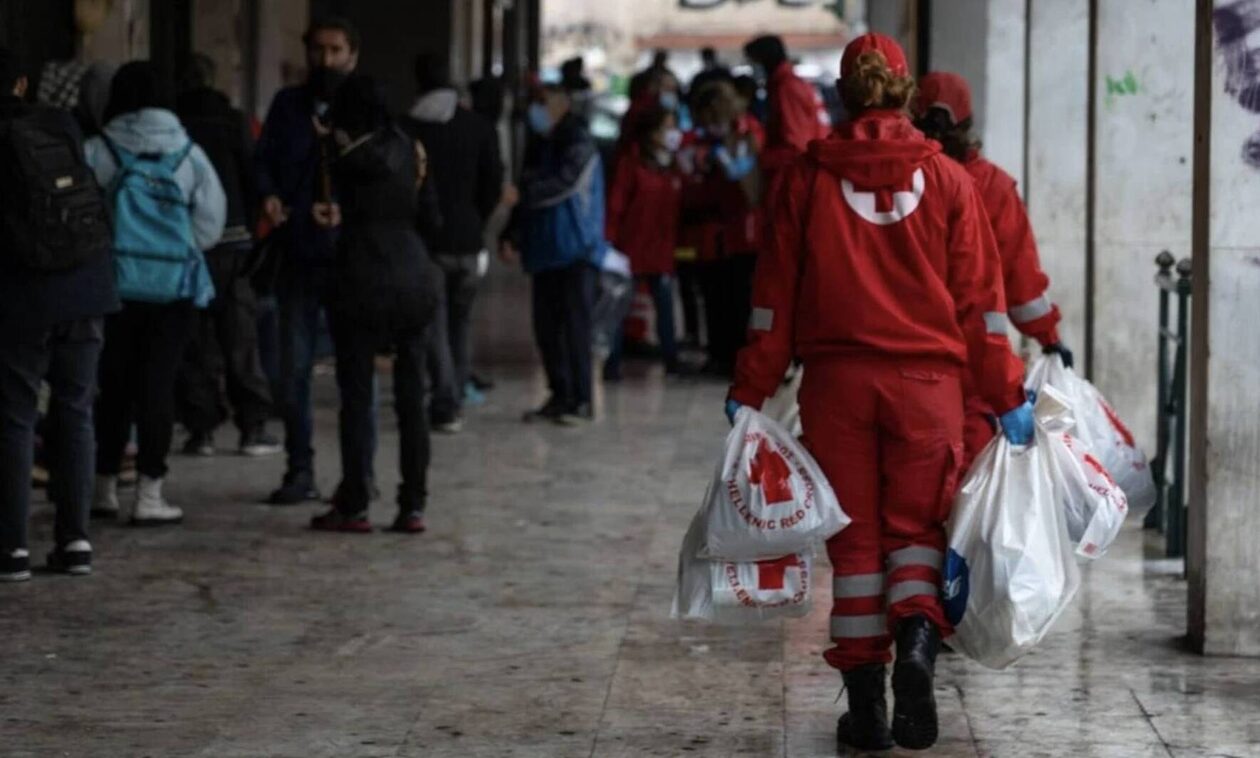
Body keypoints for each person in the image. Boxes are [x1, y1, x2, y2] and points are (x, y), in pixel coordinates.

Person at [726, 35, 1031, 752]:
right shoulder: (952, 182)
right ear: (902, 94)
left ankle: (865, 707)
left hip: (837, 387)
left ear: (841, 95)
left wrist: (753, 386)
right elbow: (981, 307)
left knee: (856, 546)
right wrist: (1007, 395)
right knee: (918, 534)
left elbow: (774, 300)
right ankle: (919, 649)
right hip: (929, 388)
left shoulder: (806, 180)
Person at [86, 61, 227, 527]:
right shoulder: (189, 154)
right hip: (173, 291)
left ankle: (103, 487)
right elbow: (208, 229)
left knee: (112, 386)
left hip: (112, 285)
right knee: (157, 386)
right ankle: (150, 494)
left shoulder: (98, 150)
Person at [912, 71, 1072, 469]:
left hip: (909, 359)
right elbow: (1022, 284)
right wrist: (1048, 336)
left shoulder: (902, 182)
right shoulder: (992, 187)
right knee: (969, 483)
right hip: (977, 363)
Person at [0, 48, 118, 580]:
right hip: (85, 283)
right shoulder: (61, 124)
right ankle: (75, 543)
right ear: (22, 83)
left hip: (20, 292)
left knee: (15, 416)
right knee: (75, 410)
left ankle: (11, 549)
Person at [309, 74, 441, 533]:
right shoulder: (413, 151)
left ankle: (356, 501)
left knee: (358, 396)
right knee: (412, 398)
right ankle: (413, 505)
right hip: (414, 276)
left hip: (360, 278)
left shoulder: (338, 157)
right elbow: (433, 220)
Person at [256, 16, 366, 504]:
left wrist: (350, 209)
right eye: (318, 50)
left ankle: (358, 476)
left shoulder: (366, 110)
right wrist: (272, 198)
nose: (326, 60)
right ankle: (299, 468)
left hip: (351, 260)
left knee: (354, 374)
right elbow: (264, 166)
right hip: (299, 255)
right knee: (292, 370)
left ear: (352, 56)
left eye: (336, 50)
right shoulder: (287, 107)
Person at [175, 54, 279, 458]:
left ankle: (201, 430)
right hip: (233, 243)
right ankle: (252, 428)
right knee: (240, 340)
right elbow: (255, 178)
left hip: (187, 247)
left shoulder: (174, 126)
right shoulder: (234, 121)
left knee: (196, 342)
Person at [402, 53, 504, 433]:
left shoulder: (408, 128)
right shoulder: (478, 127)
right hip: (469, 240)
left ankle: (444, 402)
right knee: (460, 324)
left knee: (436, 326)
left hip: (427, 242)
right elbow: (492, 182)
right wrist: (476, 217)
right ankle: (455, 394)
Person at [502, 84, 606, 424]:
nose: (534, 112)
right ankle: (560, 394)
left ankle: (579, 399)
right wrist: (513, 234)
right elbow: (526, 193)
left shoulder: (579, 143)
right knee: (546, 329)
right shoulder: (540, 144)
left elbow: (563, 185)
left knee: (575, 328)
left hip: (576, 249)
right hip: (544, 249)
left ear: (559, 106)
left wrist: (523, 195)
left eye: (540, 104)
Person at [685, 81, 764, 376]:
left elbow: (752, 187)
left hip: (746, 230)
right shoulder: (711, 139)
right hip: (721, 231)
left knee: (740, 297)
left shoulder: (747, 133)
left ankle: (738, 359)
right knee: (717, 294)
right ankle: (721, 354)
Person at [604, 105, 684, 378]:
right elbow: (615, 206)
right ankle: (612, 363)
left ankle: (671, 359)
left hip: (661, 249)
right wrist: (609, 245)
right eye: (667, 127)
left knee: (664, 307)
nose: (673, 133)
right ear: (651, 133)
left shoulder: (674, 165)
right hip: (631, 249)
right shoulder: (631, 164)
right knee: (620, 308)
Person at [742, 34, 830, 192]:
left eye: (753, 62)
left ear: (764, 60)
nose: (752, 69)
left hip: (798, 177)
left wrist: (759, 161)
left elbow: (797, 146)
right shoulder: (787, 84)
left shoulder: (786, 88)